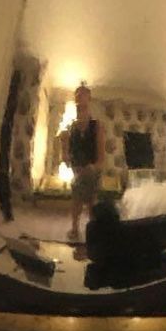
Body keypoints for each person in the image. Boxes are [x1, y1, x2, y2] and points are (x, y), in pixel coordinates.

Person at [62, 83, 105, 245]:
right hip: (77, 170)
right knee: (77, 199)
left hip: (93, 170)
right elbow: (67, 151)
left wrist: (93, 168)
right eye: (76, 94)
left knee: (92, 201)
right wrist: (65, 153)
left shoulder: (96, 125)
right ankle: (75, 227)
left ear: (89, 98)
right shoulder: (71, 126)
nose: (78, 97)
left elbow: (101, 158)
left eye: (82, 94)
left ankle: (93, 229)